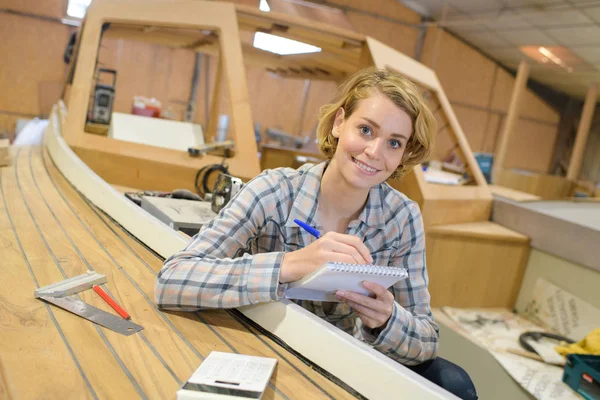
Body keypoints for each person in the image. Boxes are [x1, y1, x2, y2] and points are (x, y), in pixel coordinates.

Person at [155, 67, 477, 400]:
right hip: (258, 349)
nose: (375, 152)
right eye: (366, 129)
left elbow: (426, 339)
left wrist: (386, 320)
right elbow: (173, 279)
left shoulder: (403, 218)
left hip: (340, 366)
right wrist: (289, 265)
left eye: (393, 143)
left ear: (404, 154)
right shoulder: (273, 191)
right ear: (339, 123)